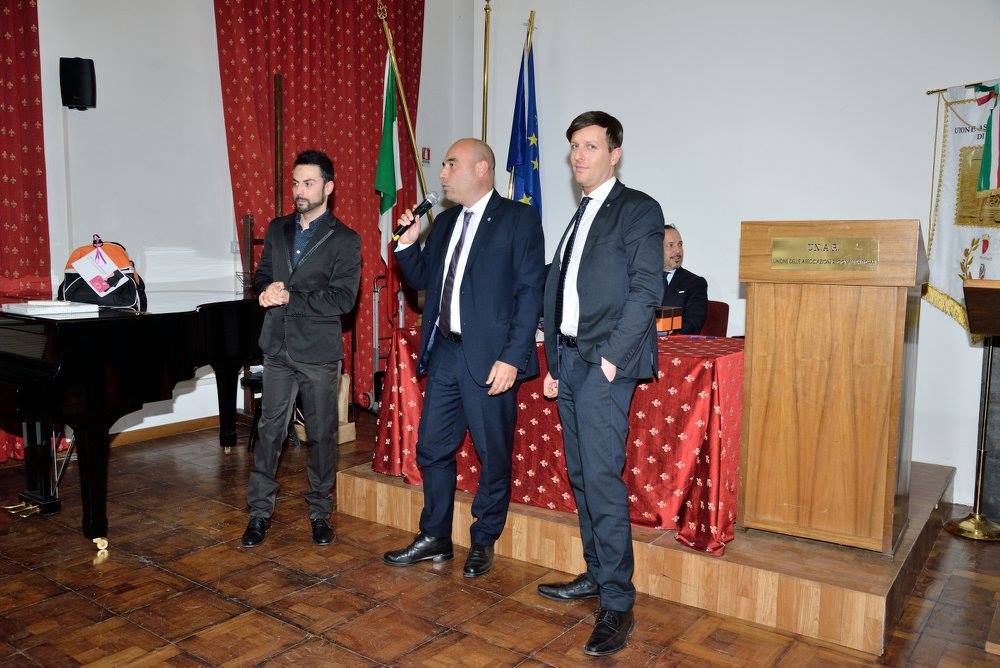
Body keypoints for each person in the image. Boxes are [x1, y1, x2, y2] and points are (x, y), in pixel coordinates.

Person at [383, 138, 545, 578]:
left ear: (482, 169)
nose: (442, 173)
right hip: (447, 352)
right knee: (432, 448)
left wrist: (512, 357)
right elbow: (423, 280)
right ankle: (435, 536)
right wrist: (407, 245)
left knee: (493, 454)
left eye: (451, 164)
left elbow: (529, 293)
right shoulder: (446, 222)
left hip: (492, 359)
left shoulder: (518, 219)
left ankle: (483, 538)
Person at [537, 111, 664, 656]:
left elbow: (646, 291)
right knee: (582, 475)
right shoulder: (581, 213)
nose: (578, 155)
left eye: (590, 146)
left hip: (603, 365)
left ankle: (617, 601)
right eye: (573, 146)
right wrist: (553, 361)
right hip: (569, 361)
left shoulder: (637, 209)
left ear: (614, 154)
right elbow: (563, 291)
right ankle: (596, 573)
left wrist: (611, 361)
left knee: (603, 481)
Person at [241, 149, 361, 548]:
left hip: (319, 354)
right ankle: (259, 512)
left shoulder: (345, 239)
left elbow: (343, 299)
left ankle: (320, 512)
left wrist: (291, 296)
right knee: (268, 431)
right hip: (277, 347)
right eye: (295, 183)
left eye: (308, 183)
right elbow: (261, 275)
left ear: (328, 187)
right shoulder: (278, 229)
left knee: (322, 436)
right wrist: (264, 291)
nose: (299, 191)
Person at [661, 224, 708, 334]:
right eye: (671, 245)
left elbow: (693, 323)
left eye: (680, 245)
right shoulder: (641, 280)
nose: (678, 251)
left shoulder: (695, 283)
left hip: (673, 341)